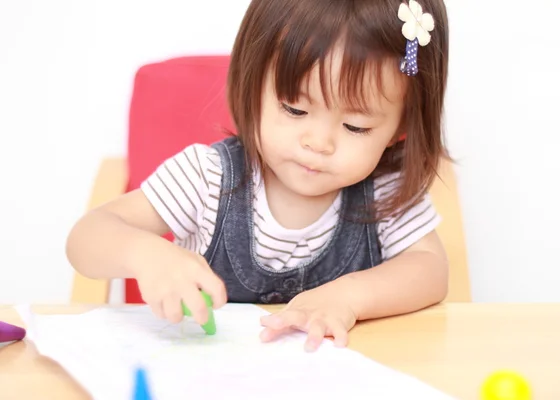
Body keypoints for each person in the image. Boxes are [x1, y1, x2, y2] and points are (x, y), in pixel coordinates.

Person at [66, 0, 450, 352]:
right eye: (295, 109)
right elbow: (87, 238)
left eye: (354, 126)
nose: (317, 142)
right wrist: (144, 254)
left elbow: (430, 269)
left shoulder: (385, 192)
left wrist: (350, 297)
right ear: (253, 88)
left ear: (400, 129)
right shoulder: (208, 177)